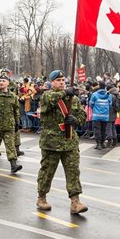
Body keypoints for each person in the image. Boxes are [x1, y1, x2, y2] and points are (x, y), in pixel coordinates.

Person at [36, 69, 88, 214]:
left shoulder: (74, 100)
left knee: (73, 172)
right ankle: (41, 197)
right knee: (47, 172)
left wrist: (75, 120)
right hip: (51, 142)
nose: (61, 82)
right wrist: (67, 92)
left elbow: (83, 117)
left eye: (63, 80)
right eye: (58, 80)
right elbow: (51, 100)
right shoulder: (47, 96)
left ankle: (75, 202)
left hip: (69, 141)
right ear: (52, 82)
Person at [0, 74, 21, 173]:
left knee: (10, 145)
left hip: (8, 126)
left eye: (4, 81)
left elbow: (16, 110)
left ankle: (13, 164)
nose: (1, 82)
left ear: (8, 83)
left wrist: (17, 123)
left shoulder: (13, 96)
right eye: (0, 81)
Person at [89, 81, 112, 149]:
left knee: (97, 130)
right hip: (105, 116)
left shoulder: (94, 94)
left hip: (96, 115)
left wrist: (95, 108)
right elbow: (110, 105)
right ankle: (103, 143)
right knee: (103, 129)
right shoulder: (109, 95)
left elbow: (91, 104)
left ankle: (98, 144)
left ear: (99, 86)